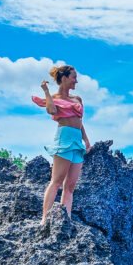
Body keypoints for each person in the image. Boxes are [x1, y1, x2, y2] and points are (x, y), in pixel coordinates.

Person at [32, 64, 91, 221]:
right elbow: (51, 110)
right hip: (64, 137)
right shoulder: (54, 99)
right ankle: (45, 219)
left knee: (70, 186)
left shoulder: (77, 99)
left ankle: (66, 219)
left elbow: (80, 121)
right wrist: (46, 91)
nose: (76, 81)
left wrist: (86, 140)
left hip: (77, 139)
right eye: (73, 78)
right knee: (56, 181)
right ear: (64, 78)